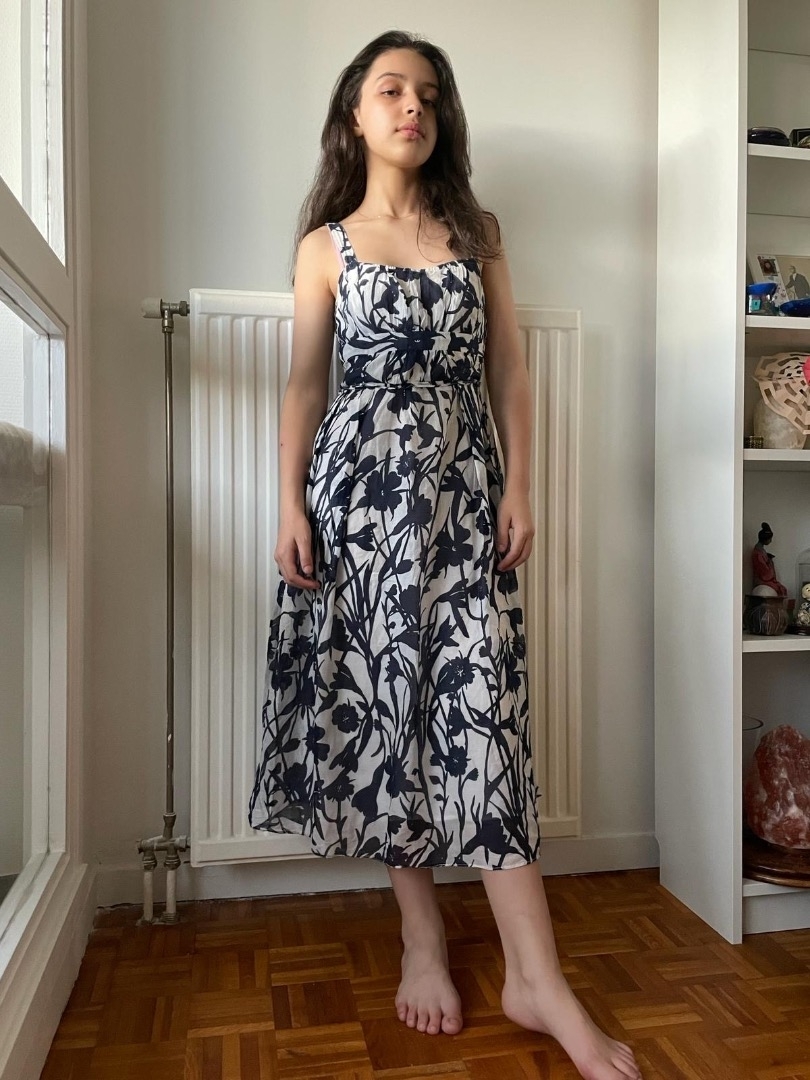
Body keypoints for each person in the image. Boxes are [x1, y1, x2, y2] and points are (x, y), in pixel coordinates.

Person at [248, 29, 642, 1080]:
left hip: (464, 505)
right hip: (357, 508)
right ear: (356, 114)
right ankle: (421, 936)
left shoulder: (478, 232)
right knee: (387, 713)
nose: (412, 105)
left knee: (481, 717)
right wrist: (288, 504)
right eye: (391, 89)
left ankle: (536, 980)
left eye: (427, 92)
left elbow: (509, 364)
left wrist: (520, 484)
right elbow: (306, 384)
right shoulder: (325, 246)